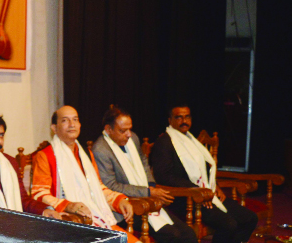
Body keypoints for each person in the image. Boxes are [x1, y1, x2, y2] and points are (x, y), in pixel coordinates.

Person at [149, 104, 258, 243]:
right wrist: (197, 189)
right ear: (170, 120)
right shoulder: (164, 142)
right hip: (183, 198)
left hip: (207, 193)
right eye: (179, 117)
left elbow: (204, 170)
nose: (184, 120)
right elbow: (164, 177)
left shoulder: (190, 139)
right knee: (229, 224)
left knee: (250, 218)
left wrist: (215, 186)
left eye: (187, 116)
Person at [31, 106, 140, 243]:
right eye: (65, 120)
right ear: (54, 128)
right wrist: (68, 205)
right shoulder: (45, 156)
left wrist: (119, 200)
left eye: (75, 120)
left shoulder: (86, 154)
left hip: (97, 219)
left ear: (80, 125)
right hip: (69, 224)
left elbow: (98, 189)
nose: (72, 125)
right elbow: (39, 195)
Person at [92, 105, 197, 243]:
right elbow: (111, 186)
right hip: (125, 209)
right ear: (108, 130)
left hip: (147, 199)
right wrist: (147, 192)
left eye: (130, 129)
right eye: (123, 131)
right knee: (173, 235)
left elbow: (143, 162)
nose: (129, 134)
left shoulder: (133, 138)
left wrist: (151, 186)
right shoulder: (100, 150)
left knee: (188, 234)